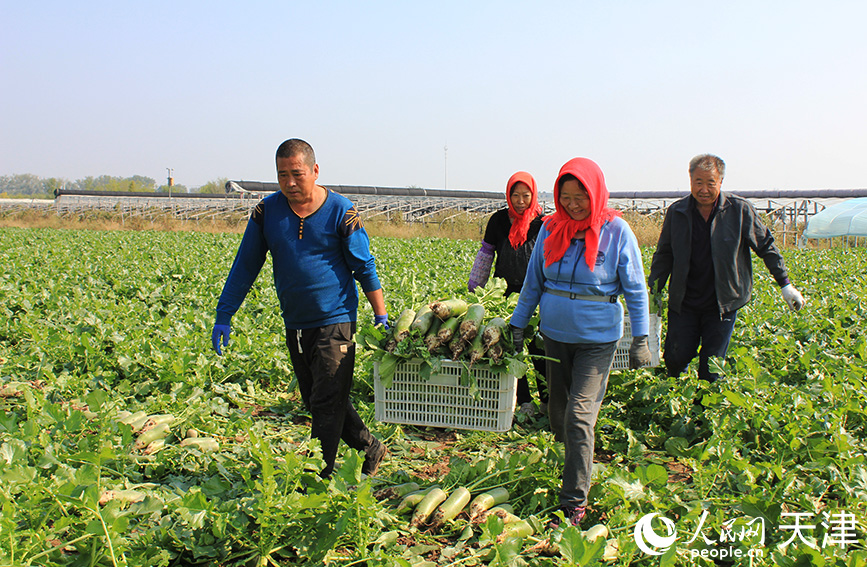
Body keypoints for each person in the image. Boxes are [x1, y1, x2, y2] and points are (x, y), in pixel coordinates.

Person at [210, 138, 390, 478]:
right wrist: (224, 314)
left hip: (336, 319)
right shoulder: (267, 213)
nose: (290, 183)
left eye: (297, 174)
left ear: (315, 171)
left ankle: (317, 475)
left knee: (325, 400)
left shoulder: (341, 211)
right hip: (295, 322)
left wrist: (379, 311)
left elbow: (364, 265)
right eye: (282, 176)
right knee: (318, 398)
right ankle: (369, 447)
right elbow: (245, 265)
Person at [509, 158, 651, 528]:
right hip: (554, 338)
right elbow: (533, 282)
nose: (572, 204)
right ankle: (579, 461)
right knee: (559, 416)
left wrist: (641, 339)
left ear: (596, 193)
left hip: (596, 341)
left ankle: (573, 503)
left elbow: (635, 289)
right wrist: (518, 324)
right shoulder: (550, 229)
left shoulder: (616, 231)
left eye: (580, 197)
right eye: (566, 196)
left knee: (578, 416)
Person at [648, 154, 806, 383]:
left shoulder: (739, 210)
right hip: (684, 302)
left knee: (712, 368)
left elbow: (766, 247)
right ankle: (676, 402)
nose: (704, 189)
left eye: (710, 183)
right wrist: (653, 291)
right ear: (690, 180)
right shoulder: (677, 212)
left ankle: (703, 415)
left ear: (720, 182)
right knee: (675, 358)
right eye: (698, 182)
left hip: (722, 304)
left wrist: (785, 284)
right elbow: (664, 254)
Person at [468, 171, 548, 413]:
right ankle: (522, 400)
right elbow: (486, 254)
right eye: (515, 195)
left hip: (536, 295)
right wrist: (476, 289)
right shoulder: (499, 220)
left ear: (533, 196)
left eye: (526, 195)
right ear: (509, 195)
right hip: (504, 293)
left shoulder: (543, 223)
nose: (520, 201)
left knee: (539, 348)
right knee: (512, 349)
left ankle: (547, 399)